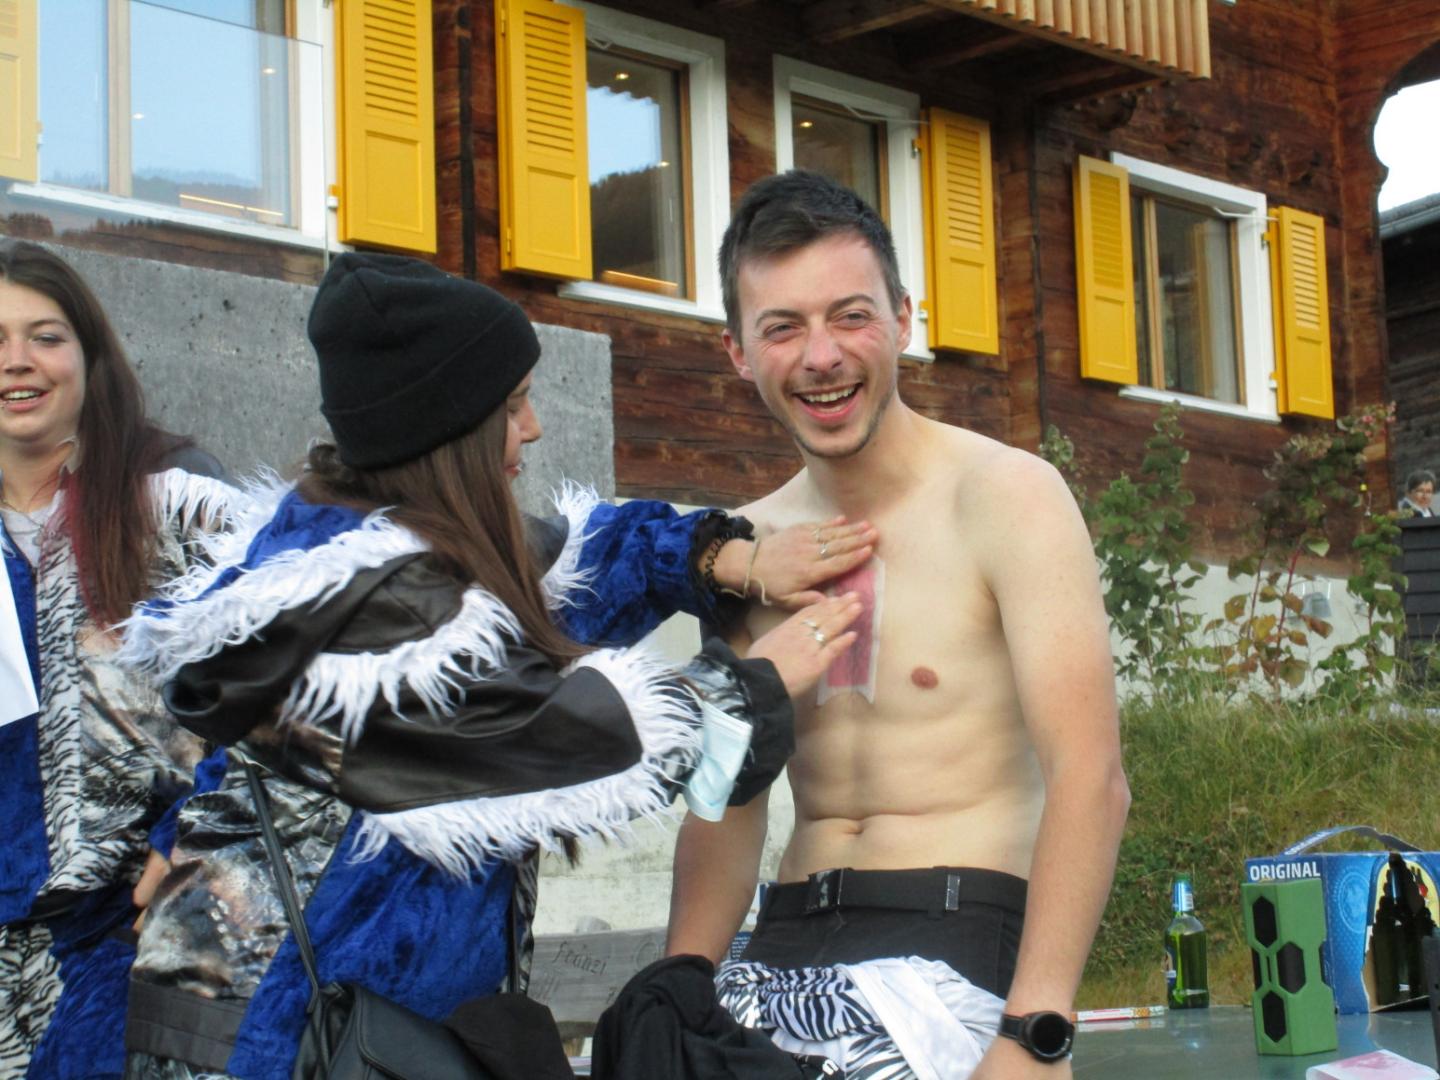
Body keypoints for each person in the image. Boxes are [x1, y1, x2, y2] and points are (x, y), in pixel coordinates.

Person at [117, 252, 866, 1080]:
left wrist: (728, 558)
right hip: (270, 1042)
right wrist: (754, 682)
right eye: (511, 408)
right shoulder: (361, 621)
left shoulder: (400, 544)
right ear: (443, 432)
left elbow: (585, 556)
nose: (534, 428)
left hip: (373, 1031)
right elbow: (573, 738)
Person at [665, 172, 1131, 1079]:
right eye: (782, 328)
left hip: (954, 943)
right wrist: (676, 990)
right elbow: (724, 801)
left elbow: (1091, 778)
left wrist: (1036, 1030)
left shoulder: (1004, 497)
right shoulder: (748, 550)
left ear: (904, 319)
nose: (821, 356)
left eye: (850, 317)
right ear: (737, 352)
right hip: (783, 944)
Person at [0, 240, 241, 1079]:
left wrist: (192, 836)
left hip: (133, 933)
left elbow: (280, 692)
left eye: (45, 337)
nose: (16, 362)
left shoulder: (175, 505)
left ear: (90, 356)